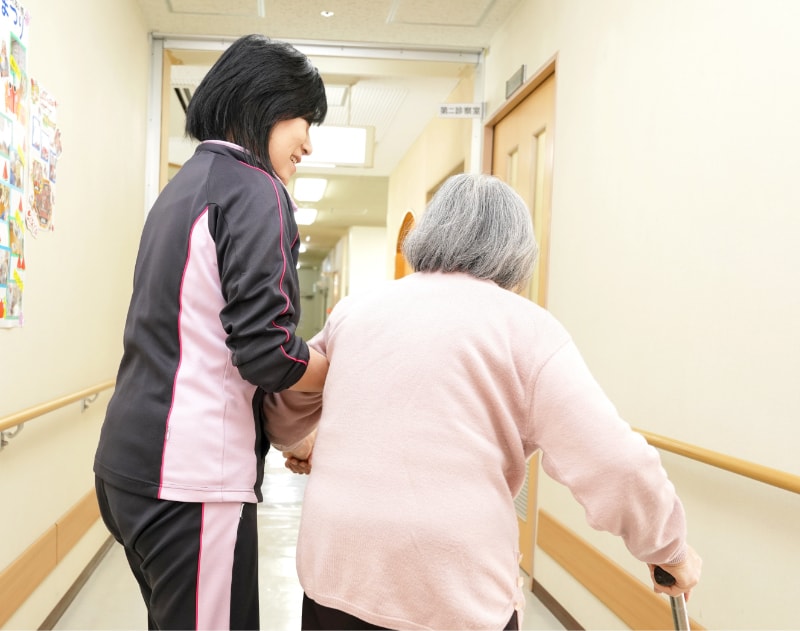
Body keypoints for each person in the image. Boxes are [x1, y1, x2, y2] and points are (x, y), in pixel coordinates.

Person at [262, 173, 702, 630]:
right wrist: (669, 549)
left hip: (339, 568)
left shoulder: (358, 309)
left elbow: (285, 401)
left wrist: (302, 442)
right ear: (517, 252)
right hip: (451, 587)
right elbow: (615, 463)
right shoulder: (527, 329)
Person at [93, 34, 329, 631]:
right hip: (192, 478)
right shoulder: (256, 189)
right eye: (305, 119)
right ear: (267, 104)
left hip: (128, 468)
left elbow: (203, 336)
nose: (308, 141)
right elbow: (268, 352)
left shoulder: (182, 188)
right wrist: (341, 363)